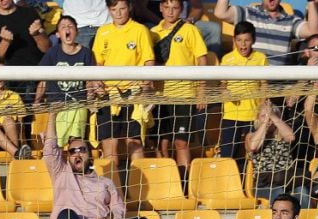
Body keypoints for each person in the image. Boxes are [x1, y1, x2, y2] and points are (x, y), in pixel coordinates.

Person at [44, 112, 150, 219]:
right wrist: (52, 116)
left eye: (82, 150)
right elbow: (50, 149)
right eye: (73, 151)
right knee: (65, 215)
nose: (78, 153)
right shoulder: (61, 173)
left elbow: (118, 209)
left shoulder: (105, 182)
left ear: (90, 156)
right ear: (68, 156)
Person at [92, 0, 155, 168]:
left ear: (130, 8)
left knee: (134, 142)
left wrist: (145, 87)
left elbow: (148, 60)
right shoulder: (103, 32)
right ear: (108, 10)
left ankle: (138, 190)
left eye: (122, 9)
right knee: (109, 145)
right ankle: (112, 189)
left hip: (132, 94)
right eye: (114, 9)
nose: (118, 13)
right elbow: (97, 63)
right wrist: (97, 83)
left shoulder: (140, 30)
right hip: (108, 95)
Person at [151, 0, 208, 174]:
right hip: (160, 95)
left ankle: (184, 184)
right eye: (166, 7)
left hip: (184, 94)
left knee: (181, 142)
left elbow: (202, 59)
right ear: (160, 8)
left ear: (181, 9)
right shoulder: (153, 33)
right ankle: (167, 181)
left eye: (175, 8)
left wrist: (202, 90)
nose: (170, 12)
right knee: (161, 142)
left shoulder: (189, 30)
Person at [34, 15, 100, 147]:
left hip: (78, 103)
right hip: (57, 104)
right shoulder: (53, 53)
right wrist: (37, 100)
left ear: (77, 31)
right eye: (63, 27)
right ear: (58, 34)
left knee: (77, 113)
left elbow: (91, 79)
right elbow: (43, 79)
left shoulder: (86, 53)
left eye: (70, 26)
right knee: (56, 141)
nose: (67, 29)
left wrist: (92, 95)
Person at [214, 0, 318, 65]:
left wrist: (311, 1)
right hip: (252, 81)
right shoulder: (248, 13)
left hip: (278, 85)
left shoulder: (290, 20)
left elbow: (313, 31)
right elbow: (220, 13)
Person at [245, 101, 310, 207]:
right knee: (279, 193)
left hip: (287, 180)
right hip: (264, 184)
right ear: (257, 119)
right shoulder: (250, 136)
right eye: (263, 116)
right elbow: (253, 147)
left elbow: (291, 137)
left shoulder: (282, 134)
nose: (268, 119)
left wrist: (272, 115)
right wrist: (265, 123)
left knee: (302, 192)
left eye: (270, 116)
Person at [219, 21, 268, 161]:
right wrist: (226, 92)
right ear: (234, 40)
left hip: (253, 116)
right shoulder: (227, 59)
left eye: (247, 40)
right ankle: (228, 182)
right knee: (227, 156)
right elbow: (222, 85)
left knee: (252, 156)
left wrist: (262, 108)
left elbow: (264, 86)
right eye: (239, 40)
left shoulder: (261, 58)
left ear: (253, 40)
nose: (243, 44)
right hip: (231, 115)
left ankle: (249, 182)